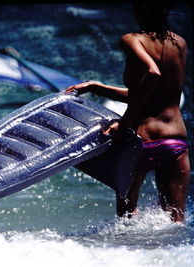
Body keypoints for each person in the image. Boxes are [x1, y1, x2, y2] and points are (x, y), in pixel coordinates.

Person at [65, 2, 190, 222]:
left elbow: (153, 74)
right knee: (175, 221)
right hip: (176, 141)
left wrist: (123, 126)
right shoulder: (180, 43)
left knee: (126, 218)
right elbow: (152, 93)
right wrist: (97, 87)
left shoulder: (132, 40)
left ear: (139, 11)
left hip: (142, 140)